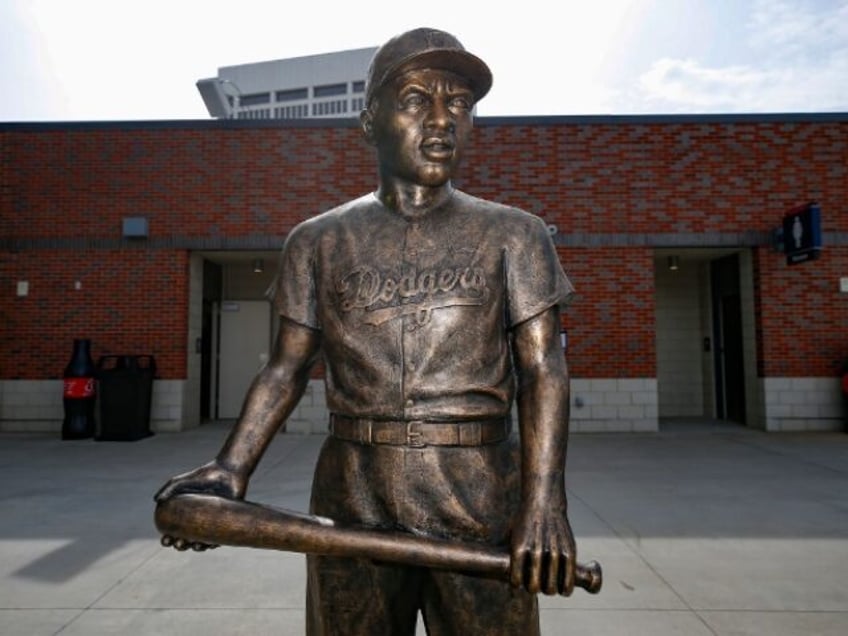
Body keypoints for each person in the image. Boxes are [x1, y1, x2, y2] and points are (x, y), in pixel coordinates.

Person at [156, 27, 577, 635]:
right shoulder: (318, 240)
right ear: (369, 121)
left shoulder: (515, 235)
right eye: (415, 100)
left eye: (459, 103)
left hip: (479, 490)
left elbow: (543, 370)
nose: (442, 120)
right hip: (352, 490)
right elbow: (286, 368)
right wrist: (231, 466)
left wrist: (544, 503)